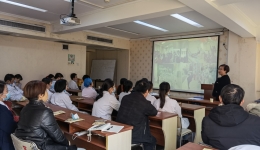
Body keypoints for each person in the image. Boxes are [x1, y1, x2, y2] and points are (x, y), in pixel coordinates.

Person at [15, 80, 77, 150]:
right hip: (41, 146)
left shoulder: (25, 108)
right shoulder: (45, 112)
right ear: (40, 95)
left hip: (29, 144)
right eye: (46, 91)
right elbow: (58, 136)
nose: (47, 93)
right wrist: (68, 145)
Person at [202, 84, 260, 150]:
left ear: (220, 99)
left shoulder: (207, 120)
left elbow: (206, 141)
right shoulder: (257, 122)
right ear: (242, 102)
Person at [117, 80, 157, 150]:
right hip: (134, 136)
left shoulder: (125, 98)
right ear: (147, 91)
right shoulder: (145, 103)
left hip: (121, 131)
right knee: (152, 140)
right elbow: (154, 112)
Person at [0, 81, 17, 150]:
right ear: (0, 94)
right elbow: (10, 127)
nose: (8, 93)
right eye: (6, 91)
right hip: (4, 141)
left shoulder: (2, 105)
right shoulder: (2, 109)